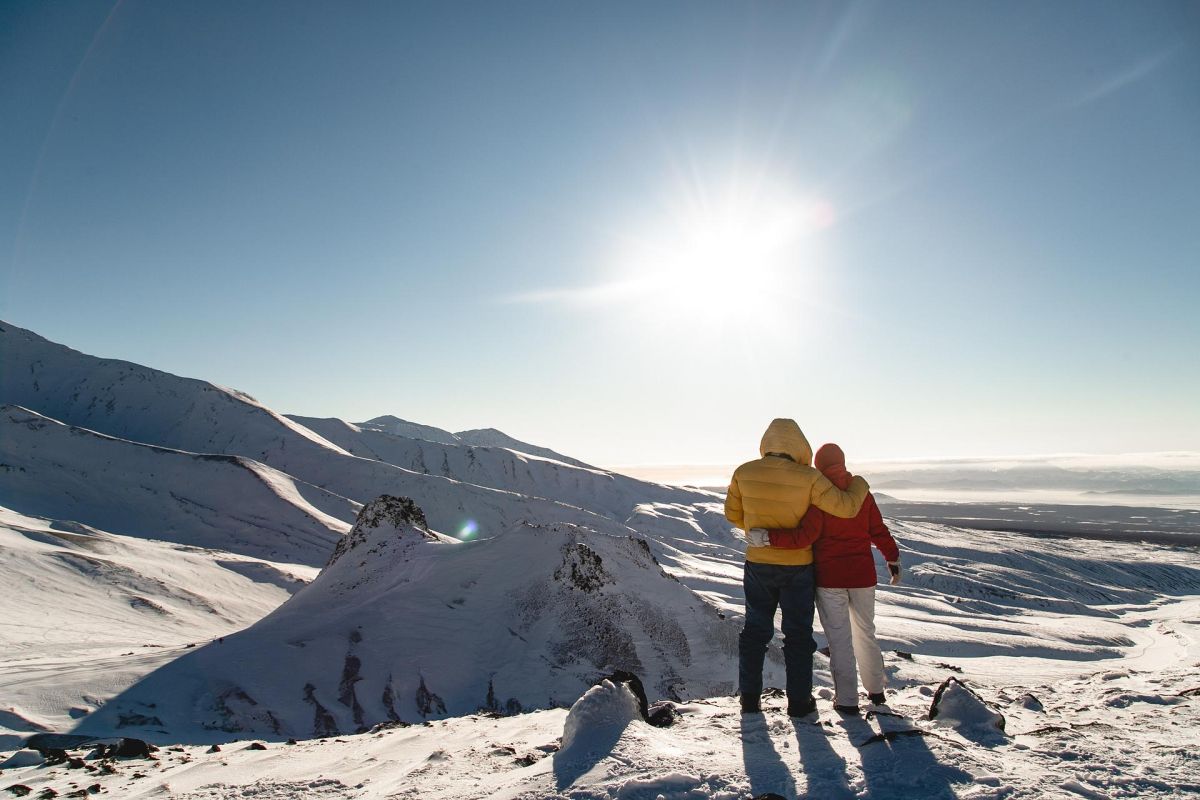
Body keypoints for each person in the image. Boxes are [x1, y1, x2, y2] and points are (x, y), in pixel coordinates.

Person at [725, 419, 871, 717]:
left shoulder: (744, 472)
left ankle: (750, 702)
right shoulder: (809, 478)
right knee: (798, 635)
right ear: (799, 445)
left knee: (754, 632)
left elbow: (733, 515)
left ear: (767, 443)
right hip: (798, 567)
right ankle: (800, 703)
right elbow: (846, 507)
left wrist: (760, 533)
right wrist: (860, 483)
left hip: (758, 564)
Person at [757, 442, 900, 715]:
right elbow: (877, 530)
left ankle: (847, 701)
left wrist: (768, 538)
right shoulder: (862, 494)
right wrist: (892, 558)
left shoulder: (819, 495)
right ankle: (876, 691)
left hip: (829, 579)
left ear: (819, 466)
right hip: (862, 577)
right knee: (866, 633)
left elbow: (806, 535)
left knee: (839, 640)